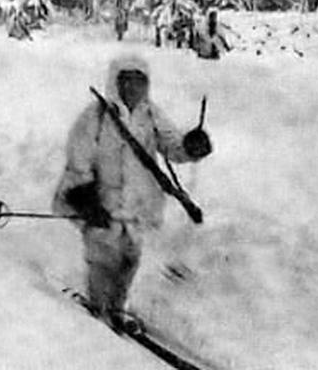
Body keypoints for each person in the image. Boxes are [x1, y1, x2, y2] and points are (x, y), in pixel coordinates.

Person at [52, 54, 212, 329]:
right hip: (103, 204)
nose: (133, 88)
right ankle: (97, 309)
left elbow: (172, 146)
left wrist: (190, 147)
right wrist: (85, 198)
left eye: (140, 82)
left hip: (137, 205)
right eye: (127, 81)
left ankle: (117, 308)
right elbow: (79, 157)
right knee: (102, 260)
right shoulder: (96, 115)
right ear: (116, 82)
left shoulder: (152, 115)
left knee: (129, 260)